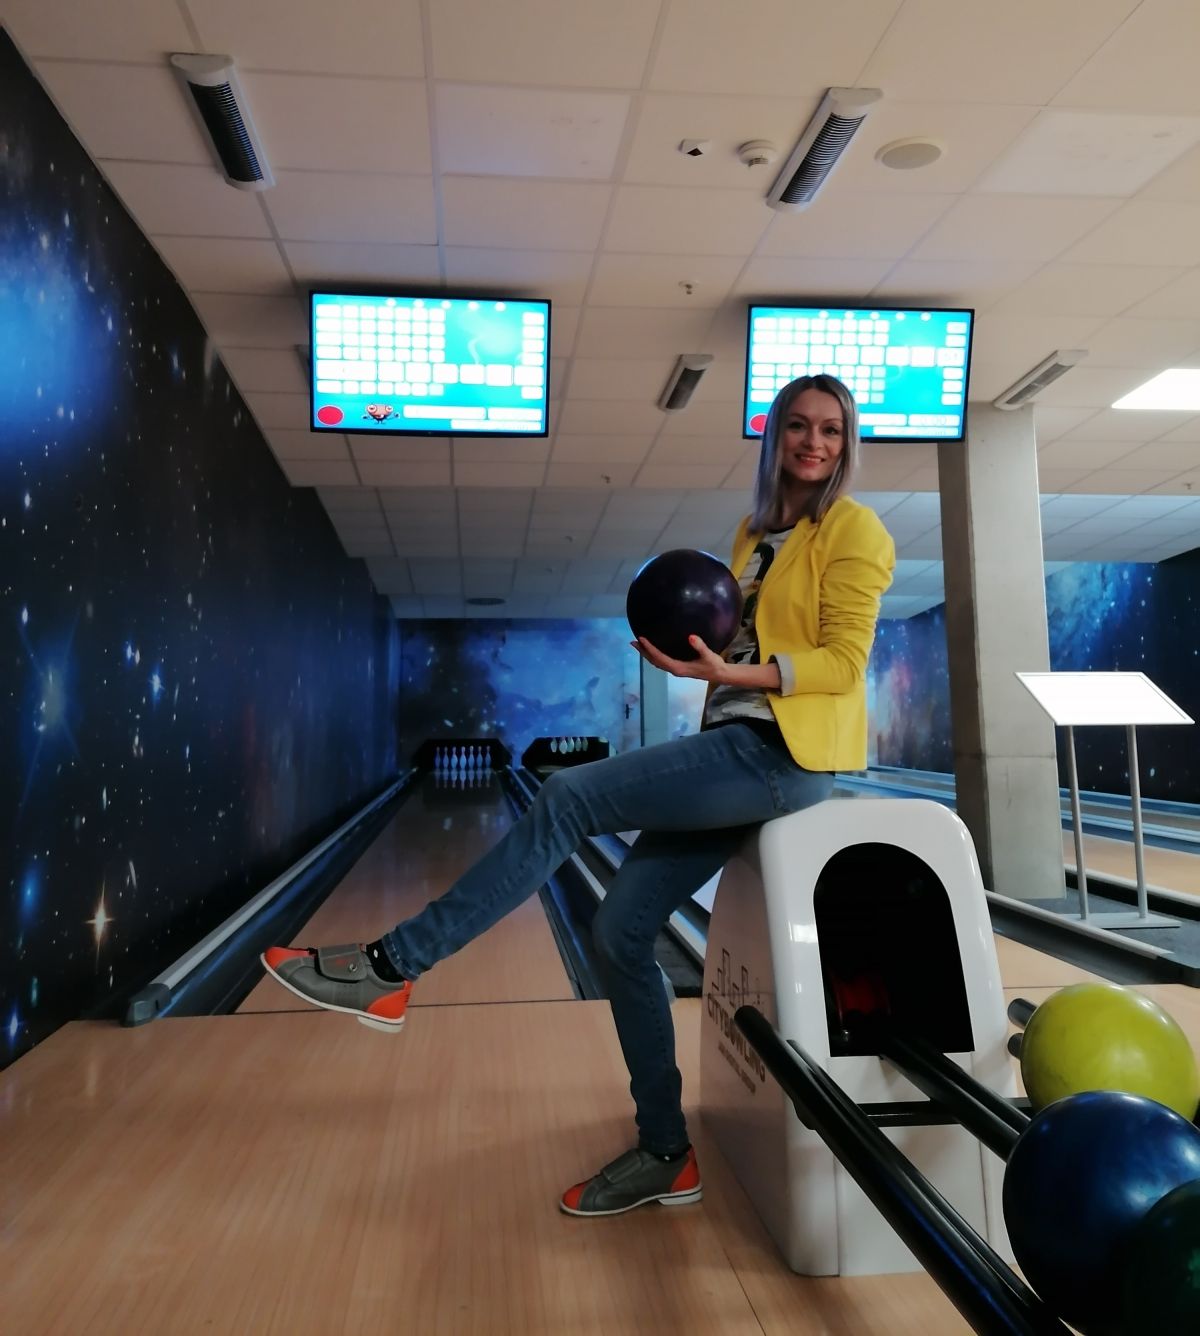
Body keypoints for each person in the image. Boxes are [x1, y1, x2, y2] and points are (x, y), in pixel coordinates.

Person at [262, 374, 895, 1218]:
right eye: (799, 427)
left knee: (566, 799)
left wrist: (725, 673)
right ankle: (664, 1151)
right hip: (731, 745)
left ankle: (391, 966)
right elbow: (734, 644)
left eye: (832, 430)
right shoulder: (752, 535)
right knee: (620, 930)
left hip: (780, 755)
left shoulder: (855, 530)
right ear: (774, 435)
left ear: (848, 444)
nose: (815, 442)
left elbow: (844, 663)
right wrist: (703, 672)